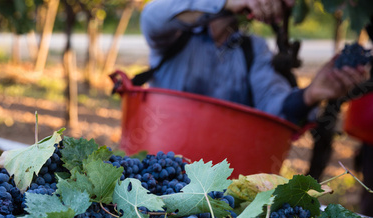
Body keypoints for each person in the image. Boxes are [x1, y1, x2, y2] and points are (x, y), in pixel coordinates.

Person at [140, 0, 370, 125]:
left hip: (221, 177)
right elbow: (152, 15)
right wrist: (227, 3)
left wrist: (310, 95)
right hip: (161, 162)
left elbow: (273, 108)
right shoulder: (175, 34)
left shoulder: (253, 49)